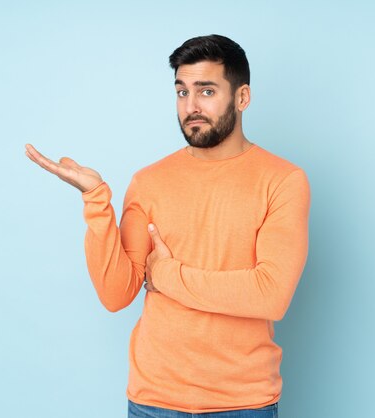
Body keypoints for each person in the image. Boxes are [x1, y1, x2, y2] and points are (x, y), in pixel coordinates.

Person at [25, 34, 310, 418]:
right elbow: (116, 294)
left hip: (242, 404)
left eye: (206, 91)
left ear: (242, 98)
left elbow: (269, 295)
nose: (191, 106)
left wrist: (166, 273)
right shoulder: (149, 181)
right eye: (181, 92)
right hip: (152, 401)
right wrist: (96, 201)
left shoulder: (283, 180)